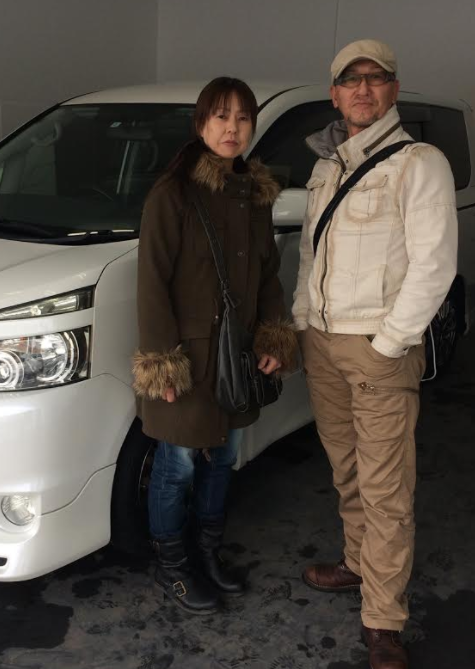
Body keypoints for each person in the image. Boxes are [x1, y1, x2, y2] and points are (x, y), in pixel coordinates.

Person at [293, 40, 457, 668]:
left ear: (394, 90)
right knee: (347, 470)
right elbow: (311, 255)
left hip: (376, 347)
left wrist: (390, 342)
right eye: (350, 79)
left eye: (376, 77)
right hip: (324, 344)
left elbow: (434, 265)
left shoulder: (419, 163)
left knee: (387, 487)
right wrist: (303, 322)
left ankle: (384, 618)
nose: (363, 88)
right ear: (334, 94)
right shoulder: (327, 166)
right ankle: (358, 564)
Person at [132, 77, 297, 615]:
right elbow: (152, 282)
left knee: (222, 459)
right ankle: (173, 567)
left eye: (243, 117)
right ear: (201, 123)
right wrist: (163, 364)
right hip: (188, 359)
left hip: (236, 357)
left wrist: (273, 334)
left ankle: (207, 553)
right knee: (176, 464)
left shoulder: (254, 194)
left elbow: (267, 273)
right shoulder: (173, 194)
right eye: (221, 116)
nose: (233, 128)